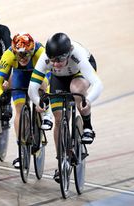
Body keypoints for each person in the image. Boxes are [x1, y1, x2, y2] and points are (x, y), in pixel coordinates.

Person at [28, 32, 104, 182]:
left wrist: (87, 100)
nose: (55, 63)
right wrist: (39, 102)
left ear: (68, 53)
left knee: (77, 91)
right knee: (59, 120)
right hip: (59, 78)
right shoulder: (45, 57)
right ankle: (62, 161)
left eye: (59, 59)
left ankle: (87, 126)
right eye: (52, 60)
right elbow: (32, 88)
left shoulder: (78, 54)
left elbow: (98, 84)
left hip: (79, 73)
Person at [0, 33, 53, 168]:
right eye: (19, 54)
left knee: (43, 84)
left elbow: (50, 77)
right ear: (14, 51)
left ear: (32, 51)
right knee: (19, 111)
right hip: (20, 76)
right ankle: (21, 152)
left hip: (38, 76)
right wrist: (0, 94)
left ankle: (46, 115)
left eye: (26, 54)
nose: (22, 58)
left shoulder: (41, 52)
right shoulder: (8, 54)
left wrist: (45, 97)